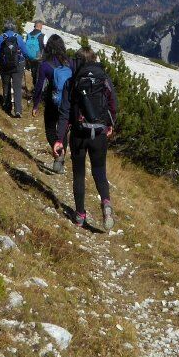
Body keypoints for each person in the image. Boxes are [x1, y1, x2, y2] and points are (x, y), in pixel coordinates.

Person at [54, 47, 117, 231]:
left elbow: (64, 112)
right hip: (99, 133)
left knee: (79, 174)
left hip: (79, 135)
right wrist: (110, 124)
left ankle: (80, 215)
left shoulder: (72, 82)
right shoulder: (104, 79)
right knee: (99, 171)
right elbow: (113, 104)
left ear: (77, 61)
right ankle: (106, 202)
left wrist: (59, 139)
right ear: (94, 59)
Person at [31, 34, 73, 174]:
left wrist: (35, 105)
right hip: (68, 103)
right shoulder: (70, 62)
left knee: (50, 129)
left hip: (52, 101)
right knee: (64, 130)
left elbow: (39, 86)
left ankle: (56, 148)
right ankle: (60, 159)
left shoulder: (45, 65)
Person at [0, 20, 26, 117]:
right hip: (18, 64)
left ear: (5, 27)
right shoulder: (18, 37)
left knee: (6, 84)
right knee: (17, 86)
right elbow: (25, 51)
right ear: (14, 27)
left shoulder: (1, 37)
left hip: (5, 65)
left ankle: (7, 106)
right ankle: (18, 110)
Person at [24, 21, 47, 95]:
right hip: (39, 59)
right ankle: (38, 93)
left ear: (34, 26)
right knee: (40, 76)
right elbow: (47, 48)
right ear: (41, 27)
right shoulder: (43, 36)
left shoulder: (28, 35)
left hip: (31, 59)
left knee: (34, 75)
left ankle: (35, 90)